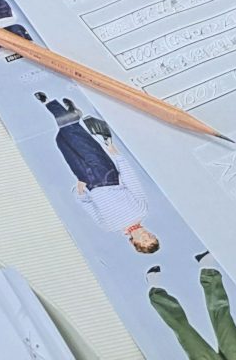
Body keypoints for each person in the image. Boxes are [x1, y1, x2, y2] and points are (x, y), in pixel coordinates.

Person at [40, 94, 162, 254]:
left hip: (87, 182)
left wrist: (80, 192)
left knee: (62, 140)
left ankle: (74, 115)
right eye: (151, 236)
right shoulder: (142, 210)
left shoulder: (108, 226)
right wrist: (114, 153)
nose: (146, 235)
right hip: (106, 175)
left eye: (144, 240)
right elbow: (131, 181)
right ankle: (48, 102)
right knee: (73, 134)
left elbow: (88, 205)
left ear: (135, 244)